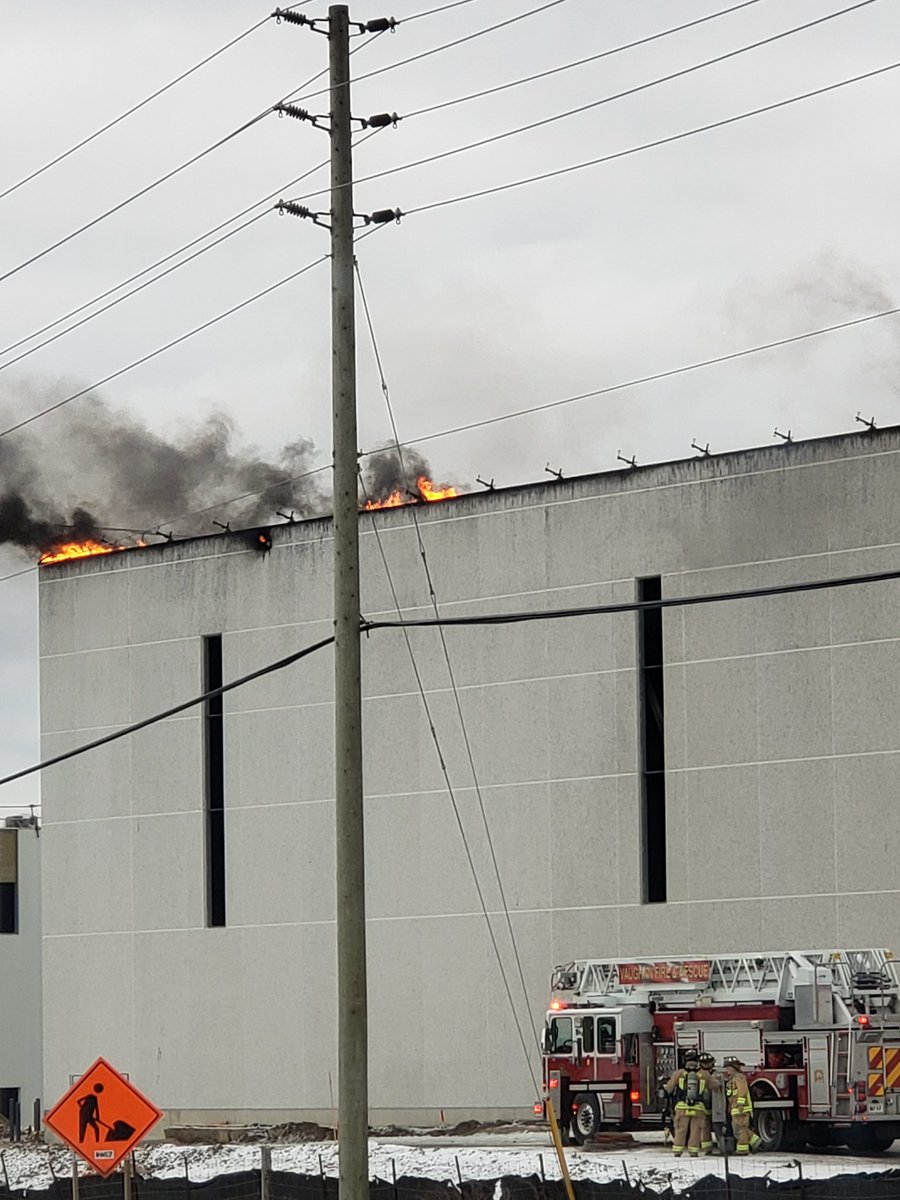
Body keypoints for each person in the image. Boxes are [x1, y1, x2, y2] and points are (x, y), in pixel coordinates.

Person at [664, 1050, 715, 1157]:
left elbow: (669, 1088)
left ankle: (678, 1152)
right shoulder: (704, 1074)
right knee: (695, 1131)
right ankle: (693, 1152)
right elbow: (715, 1086)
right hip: (699, 1108)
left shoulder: (678, 1073)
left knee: (681, 1130)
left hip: (682, 1107)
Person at [722, 1057, 761, 1154]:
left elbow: (742, 1091)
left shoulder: (738, 1077)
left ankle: (742, 1150)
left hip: (741, 1109)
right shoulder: (733, 1078)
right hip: (735, 1108)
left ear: (733, 1068)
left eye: (728, 1068)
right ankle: (755, 1141)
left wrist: (740, 1105)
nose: (727, 1070)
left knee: (740, 1129)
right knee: (738, 1129)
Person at [697, 1052, 720, 1155]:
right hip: (710, 1105)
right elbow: (715, 1087)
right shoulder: (708, 1075)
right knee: (714, 1126)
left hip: (704, 1105)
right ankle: (714, 1147)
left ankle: (707, 1149)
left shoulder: (698, 1074)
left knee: (705, 1127)